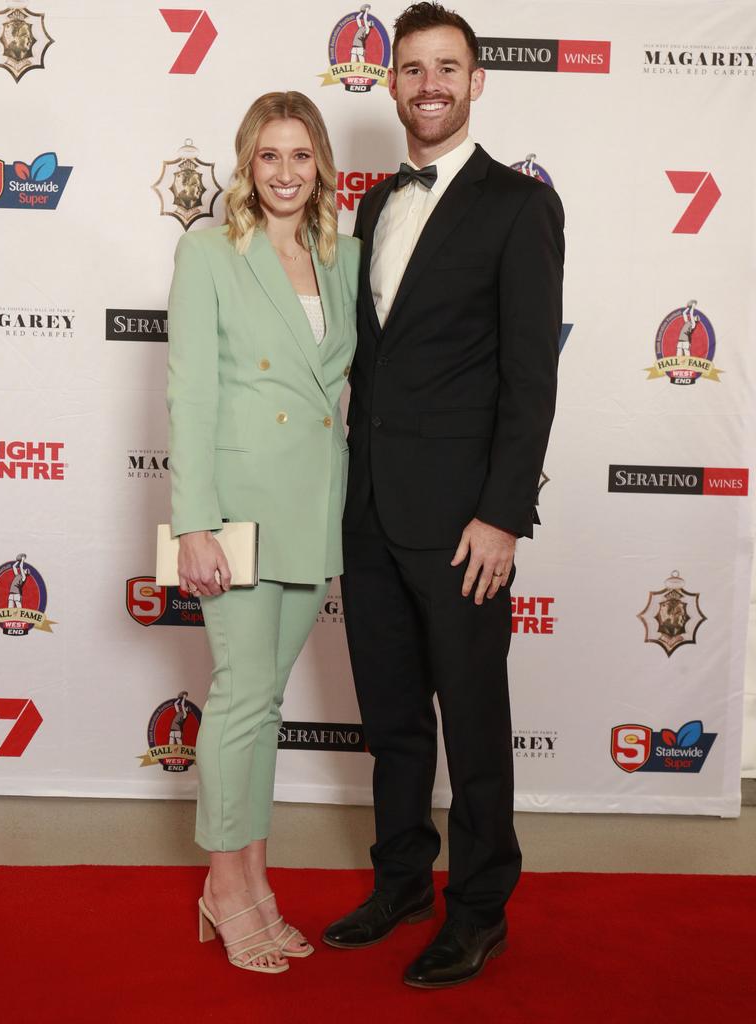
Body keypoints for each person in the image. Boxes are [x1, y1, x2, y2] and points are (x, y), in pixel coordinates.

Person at [322, 3, 564, 989]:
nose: (428, 83)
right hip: (370, 509)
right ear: (389, 85)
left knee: (470, 718)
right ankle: (402, 882)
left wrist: (504, 513)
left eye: (446, 67)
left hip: (465, 521)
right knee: (391, 718)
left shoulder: (518, 205)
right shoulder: (375, 206)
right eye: (411, 67)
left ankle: (479, 909)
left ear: (475, 82)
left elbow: (529, 378)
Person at [166, 91, 359, 975]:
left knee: (267, 703)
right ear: (247, 164)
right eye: (269, 155)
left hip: (315, 504)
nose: (286, 172)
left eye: (302, 155)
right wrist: (195, 523)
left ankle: (256, 882)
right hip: (238, 511)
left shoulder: (342, 255)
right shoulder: (209, 252)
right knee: (242, 697)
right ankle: (224, 886)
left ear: (322, 165)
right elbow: (192, 394)